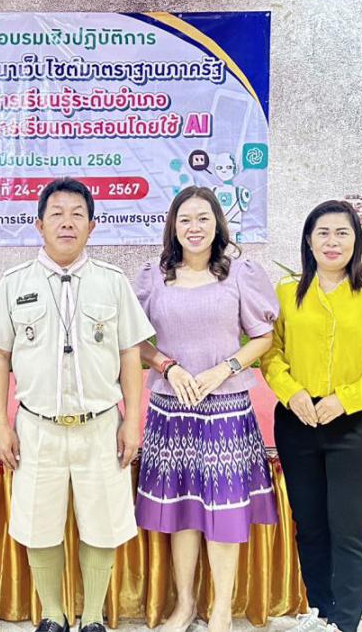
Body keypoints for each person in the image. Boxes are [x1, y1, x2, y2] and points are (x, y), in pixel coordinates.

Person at [0, 177, 154, 632]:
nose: (67, 223)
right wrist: (2, 424)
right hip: (38, 428)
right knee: (39, 524)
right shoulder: (15, 283)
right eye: (56, 214)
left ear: (92, 226)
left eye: (77, 214)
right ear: (39, 225)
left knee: (103, 523)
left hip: (100, 425)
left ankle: (92, 617)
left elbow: (130, 354)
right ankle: (52, 615)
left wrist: (132, 421)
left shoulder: (112, 282)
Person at [261, 200, 362, 632]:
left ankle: (345, 623)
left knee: (350, 528)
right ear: (308, 241)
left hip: (358, 427)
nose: (332, 242)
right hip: (299, 424)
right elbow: (271, 352)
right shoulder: (287, 292)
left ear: (355, 240)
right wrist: (292, 393)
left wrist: (346, 399)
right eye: (323, 233)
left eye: (342, 233)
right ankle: (322, 613)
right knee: (310, 526)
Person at [133, 186, 279, 632]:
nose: (194, 228)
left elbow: (263, 337)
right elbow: (133, 339)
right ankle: (184, 604)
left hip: (226, 409)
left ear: (217, 224)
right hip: (171, 410)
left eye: (202, 219)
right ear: (172, 227)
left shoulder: (239, 273)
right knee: (182, 511)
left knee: (225, 510)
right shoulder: (154, 276)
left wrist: (224, 369)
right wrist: (167, 366)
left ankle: (221, 610)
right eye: (185, 220)